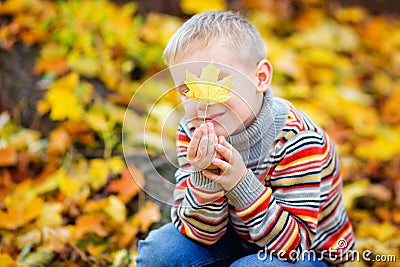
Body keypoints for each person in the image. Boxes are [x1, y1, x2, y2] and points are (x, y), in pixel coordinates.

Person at [136, 11, 355, 267]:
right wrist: (203, 175)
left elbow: (294, 247)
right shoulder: (193, 130)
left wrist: (240, 183)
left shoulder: (297, 140)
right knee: (160, 252)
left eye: (219, 83)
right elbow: (200, 234)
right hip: (233, 238)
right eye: (188, 90)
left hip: (308, 254)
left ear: (260, 78)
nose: (202, 101)